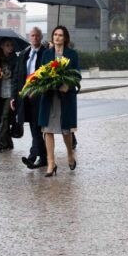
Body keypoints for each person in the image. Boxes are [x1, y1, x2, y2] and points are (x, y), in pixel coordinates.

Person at [38, 26, 81, 177]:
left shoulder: (72, 54)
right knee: (48, 130)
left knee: (65, 130)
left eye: (60, 35)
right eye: (55, 35)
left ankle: (70, 154)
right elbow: (40, 72)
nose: (57, 37)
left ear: (65, 38)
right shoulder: (46, 54)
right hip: (49, 97)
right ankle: (51, 163)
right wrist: (43, 84)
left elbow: (77, 75)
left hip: (65, 97)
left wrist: (67, 85)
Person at [10, 27, 47, 169]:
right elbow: (16, 77)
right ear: (29, 37)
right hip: (25, 96)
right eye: (32, 35)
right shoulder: (24, 54)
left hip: (40, 96)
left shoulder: (46, 53)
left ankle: (35, 156)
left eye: (37, 35)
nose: (35, 38)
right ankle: (40, 157)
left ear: (41, 36)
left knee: (37, 127)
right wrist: (14, 97)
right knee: (33, 126)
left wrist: (38, 90)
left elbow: (48, 76)